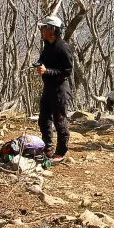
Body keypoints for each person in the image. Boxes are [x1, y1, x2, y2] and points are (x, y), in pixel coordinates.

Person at [35, 14, 74, 162]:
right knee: (43, 119)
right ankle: (47, 147)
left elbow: (66, 72)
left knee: (60, 120)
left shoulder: (63, 48)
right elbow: (43, 59)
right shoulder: (48, 45)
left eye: (44, 28)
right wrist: (39, 64)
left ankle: (61, 151)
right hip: (48, 88)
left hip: (60, 90)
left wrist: (47, 71)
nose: (42, 31)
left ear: (52, 30)